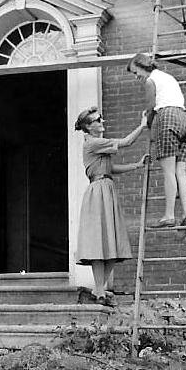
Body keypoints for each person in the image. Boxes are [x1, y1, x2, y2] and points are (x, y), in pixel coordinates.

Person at [74, 106, 148, 305]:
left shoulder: (98, 144)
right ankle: (99, 291)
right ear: (88, 127)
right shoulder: (93, 143)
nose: (101, 123)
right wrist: (142, 125)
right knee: (99, 242)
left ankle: (99, 291)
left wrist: (136, 165)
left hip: (107, 189)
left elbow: (110, 168)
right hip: (98, 191)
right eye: (97, 120)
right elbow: (126, 142)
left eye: (101, 119)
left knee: (111, 242)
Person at [127, 53, 186, 228]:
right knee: (181, 172)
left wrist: (148, 124)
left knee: (168, 172)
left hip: (167, 118)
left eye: (136, 72)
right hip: (184, 119)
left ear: (143, 66)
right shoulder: (168, 77)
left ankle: (169, 215)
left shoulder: (151, 81)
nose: (137, 77)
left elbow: (150, 108)